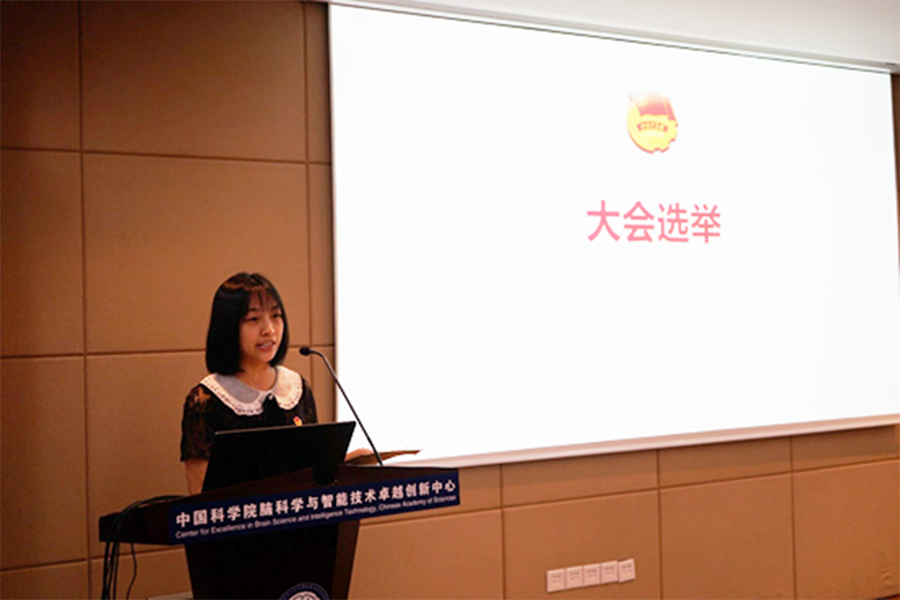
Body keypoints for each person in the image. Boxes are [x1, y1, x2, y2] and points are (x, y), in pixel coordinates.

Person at [180, 272, 318, 495]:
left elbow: (311, 472)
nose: (269, 330)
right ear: (228, 326)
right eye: (254, 319)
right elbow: (200, 497)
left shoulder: (297, 389)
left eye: (276, 315)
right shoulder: (207, 400)